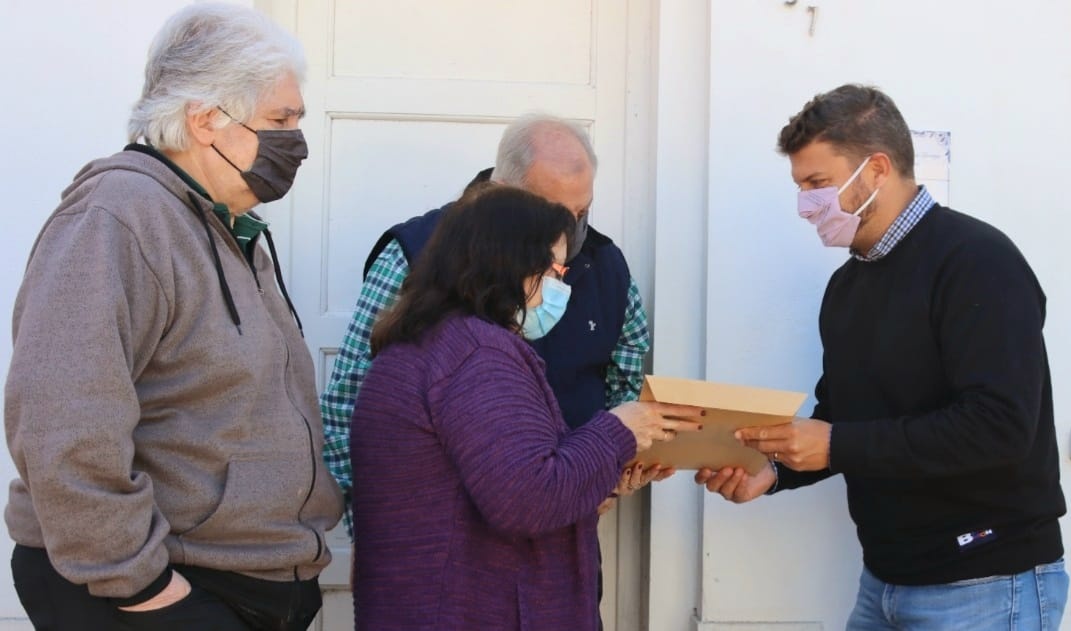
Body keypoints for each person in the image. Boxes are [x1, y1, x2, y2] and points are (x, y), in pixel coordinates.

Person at [4, 4, 343, 630]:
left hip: (239, 583)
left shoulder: (226, 226)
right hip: (162, 591)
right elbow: (63, 424)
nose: (295, 140)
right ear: (205, 117)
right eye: (279, 119)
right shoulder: (115, 217)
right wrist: (145, 588)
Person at [696, 84, 1068, 630]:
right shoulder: (847, 286)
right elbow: (842, 419)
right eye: (800, 187)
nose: (805, 206)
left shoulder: (977, 261)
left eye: (817, 184)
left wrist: (834, 443)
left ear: (876, 169)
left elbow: (1001, 426)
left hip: (987, 583)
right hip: (885, 582)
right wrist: (772, 471)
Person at [349, 184, 701, 630]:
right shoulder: (478, 353)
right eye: (554, 269)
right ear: (509, 262)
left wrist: (604, 477)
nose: (562, 284)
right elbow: (527, 498)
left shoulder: (431, 342)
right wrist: (620, 428)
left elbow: (484, 486)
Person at [322, 113, 664, 536]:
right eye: (555, 212)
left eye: (583, 211)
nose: (571, 229)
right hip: (444, 549)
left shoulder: (607, 267)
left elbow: (624, 384)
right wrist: (378, 538)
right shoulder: (417, 253)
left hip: (565, 541)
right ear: (505, 193)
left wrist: (609, 470)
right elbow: (348, 405)